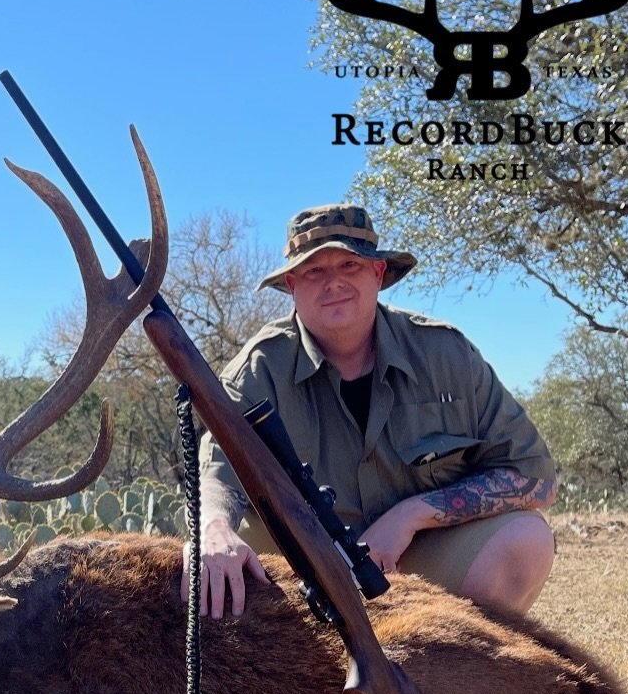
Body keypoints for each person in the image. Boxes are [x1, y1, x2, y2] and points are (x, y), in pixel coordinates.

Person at [188, 203, 556, 620]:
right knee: (199, 569)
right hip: (299, 565)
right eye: (314, 271)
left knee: (527, 540)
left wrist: (411, 516)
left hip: (414, 560)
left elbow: (535, 478)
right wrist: (215, 530)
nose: (333, 283)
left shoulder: (446, 353)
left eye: (350, 264)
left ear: (378, 274)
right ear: (292, 284)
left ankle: (450, 675)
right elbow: (219, 478)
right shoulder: (255, 371)